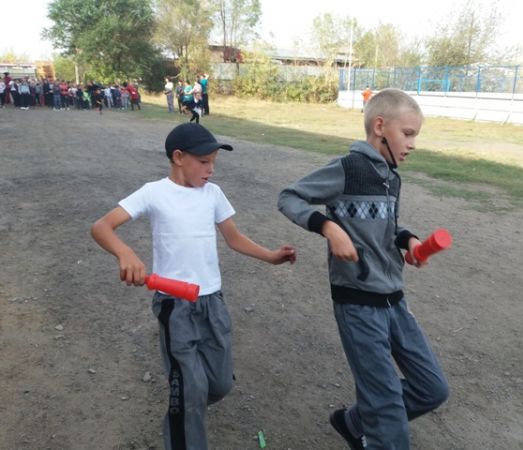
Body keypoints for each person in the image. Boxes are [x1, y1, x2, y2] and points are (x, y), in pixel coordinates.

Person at [90, 122, 296, 450]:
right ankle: (186, 413)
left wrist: (270, 257)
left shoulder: (213, 194)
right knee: (190, 393)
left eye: (213, 162)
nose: (210, 169)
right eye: (203, 162)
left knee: (220, 384)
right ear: (178, 157)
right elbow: (102, 227)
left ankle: (190, 402)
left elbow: (234, 238)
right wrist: (125, 252)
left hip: (212, 301)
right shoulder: (153, 192)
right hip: (175, 305)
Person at [278, 88, 449, 450]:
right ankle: (378, 428)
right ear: (380, 127)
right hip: (358, 304)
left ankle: (354, 422)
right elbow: (289, 197)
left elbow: (387, 227)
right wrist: (329, 227)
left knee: (432, 389)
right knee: (386, 408)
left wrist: (410, 242)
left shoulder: (391, 177)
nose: (413, 144)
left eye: (415, 136)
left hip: (394, 300)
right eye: (408, 134)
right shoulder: (348, 169)